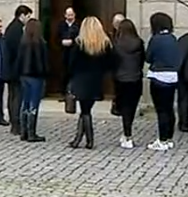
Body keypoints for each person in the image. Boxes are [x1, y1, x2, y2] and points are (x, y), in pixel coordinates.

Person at [67, 16, 112, 149]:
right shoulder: (105, 44)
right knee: (86, 109)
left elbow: (71, 64)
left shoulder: (79, 43)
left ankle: (89, 140)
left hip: (81, 79)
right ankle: (78, 138)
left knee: (85, 110)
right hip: (96, 80)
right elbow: (109, 64)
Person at [145, 12, 180, 151]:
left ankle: (162, 140)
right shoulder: (172, 38)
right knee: (170, 109)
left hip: (158, 77)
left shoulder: (156, 39)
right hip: (172, 77)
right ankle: (169, 138)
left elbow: (148, 57)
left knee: (161, 111)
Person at [111, 18, 144, 149]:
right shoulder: (139, 43)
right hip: (135, 78)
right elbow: (142, 60)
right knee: (131, 107)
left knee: (124, 108)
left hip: (121, 79)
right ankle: (127, 134)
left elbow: (113, 63)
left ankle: (127, 134)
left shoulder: (117, 44)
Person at [17, 19, 49, 142]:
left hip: (24, 75)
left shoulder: (23, 43)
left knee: (25, 103)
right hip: (36, 76)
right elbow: (43, 62)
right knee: (33, 104)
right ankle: (31, 133)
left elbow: (19, 60)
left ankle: (24, 131)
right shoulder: (40, 43)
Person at [3, 5, 32, 135]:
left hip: (10, 68)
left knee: (12, 96)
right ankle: (16, 123)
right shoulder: (17, 29)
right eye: (28, 16)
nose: (28, 19)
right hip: (15, 68)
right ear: (22, 15)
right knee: (17, 97)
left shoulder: (11, 28)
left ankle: (14, 122)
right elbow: (18, 51)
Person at [57, 7, 79, 97]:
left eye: (71, 14)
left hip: (74, 53)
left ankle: (74, 92)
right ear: (65, 15)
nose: (69, 16)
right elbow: (56, 37)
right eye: (68, 15)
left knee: (74, 72)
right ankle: (63, 93)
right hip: (63, 52)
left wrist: (72, 42)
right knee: (63, 72)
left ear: (74, 15)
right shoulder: (61, 25)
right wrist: (61, 42)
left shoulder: (78, 25)